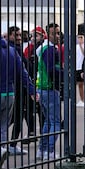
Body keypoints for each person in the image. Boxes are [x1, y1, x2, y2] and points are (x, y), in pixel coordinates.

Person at [0, 27, 35, 169]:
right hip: (10, 93)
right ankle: (1, 154)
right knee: (3, 125)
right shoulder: (11, 50)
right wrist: (31, 89)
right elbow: (22, 71)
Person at [35, 24, 62, 160]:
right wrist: (62, 78)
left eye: (58, 33)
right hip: (49, 88)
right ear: (48, 35)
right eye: (54, 33)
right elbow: (52, 70)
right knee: (55, 122)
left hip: (42, 87)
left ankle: (42, 149)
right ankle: (49, 151)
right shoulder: (50, 50)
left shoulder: (44, 48)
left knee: (48, 122)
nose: (57, 36)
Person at [74, 34, 85, 108]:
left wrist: (81, 45)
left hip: (83, 67)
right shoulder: (76, 47)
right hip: (77, 67)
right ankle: (82, 100)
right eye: (78, 37)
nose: (79, 39)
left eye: (81, 37)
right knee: (79, 84)